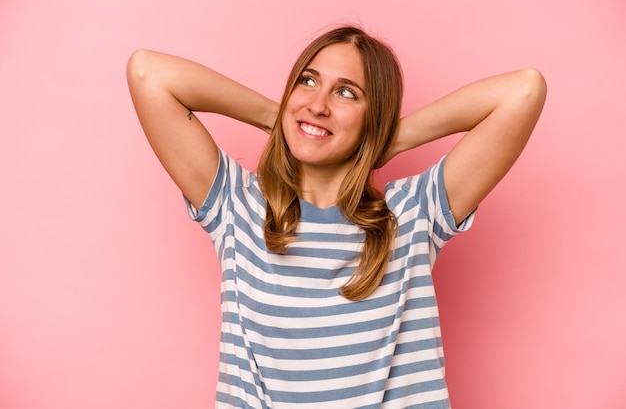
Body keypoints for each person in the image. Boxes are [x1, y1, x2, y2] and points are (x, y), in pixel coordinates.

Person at [127, 25, 546, 408]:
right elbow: (148, 73)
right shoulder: (237, 206)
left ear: (373, 115)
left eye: (347, 93)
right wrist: (281, 118)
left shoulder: (413, 213)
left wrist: (389, 137)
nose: (318, 105)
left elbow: (524, 91)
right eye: (307, 82)